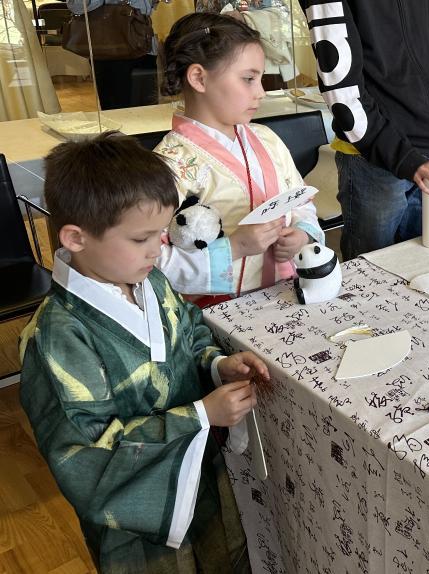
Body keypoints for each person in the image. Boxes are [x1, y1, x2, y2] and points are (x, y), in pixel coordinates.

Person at [19, 133, 267, 573]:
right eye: (141, 238)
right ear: (76, 237)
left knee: (222, 555)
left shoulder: (148, 280)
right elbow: (86, 453)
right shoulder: (58, 335)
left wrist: (217, 365)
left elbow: (189, 331)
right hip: (134, 519)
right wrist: (200, 416)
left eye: (161, 232)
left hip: (195, 469)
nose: (158, 249)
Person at [154, 13, 324, 305]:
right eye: (248, 79)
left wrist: (301, 234)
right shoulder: (171, 162)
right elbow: (149, 258)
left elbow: (300, 202)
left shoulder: (266, 139)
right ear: (198, 78)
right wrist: (234, 247)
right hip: (219, 307)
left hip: (287, 290)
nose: (261, 92)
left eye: (260, 79)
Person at [302, 0, 429, 260]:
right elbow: (341, 86)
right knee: (372, 272)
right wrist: (404, 158)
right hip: (375, 161)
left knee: (428, 265)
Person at [67, 0, 159, 109]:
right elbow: (76, 6)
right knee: (116, 108)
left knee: (148, 107)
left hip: (144, 44)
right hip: (110, 47)